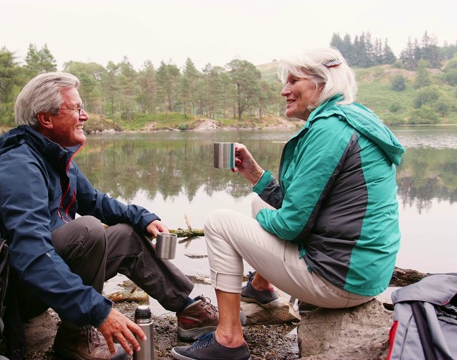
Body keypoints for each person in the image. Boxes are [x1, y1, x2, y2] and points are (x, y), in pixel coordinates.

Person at [0, 72, 222, 360]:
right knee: (86, 231)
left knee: (124, 234)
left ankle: (188, 309)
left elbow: (94, 200)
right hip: (8, 292)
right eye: (76, 108)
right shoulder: (19, 166)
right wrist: (99, 311)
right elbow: (30, 253)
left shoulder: (52, 155)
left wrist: (142, 217)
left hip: (38, 275)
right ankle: (76, 336)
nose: (84, 115)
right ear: (46, 119)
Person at [172, 48, 406, 360]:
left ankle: (228, 339)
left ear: (322, 84)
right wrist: (255, 174)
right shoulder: (351, 118)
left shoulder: (329, 131)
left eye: (293, 80)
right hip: (363, 271)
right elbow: (303, 206)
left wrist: (249, 234)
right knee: (260, 205)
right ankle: (261, 289)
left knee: (219, 222)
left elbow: (292, 225)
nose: (284, 90)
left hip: (340, 280)